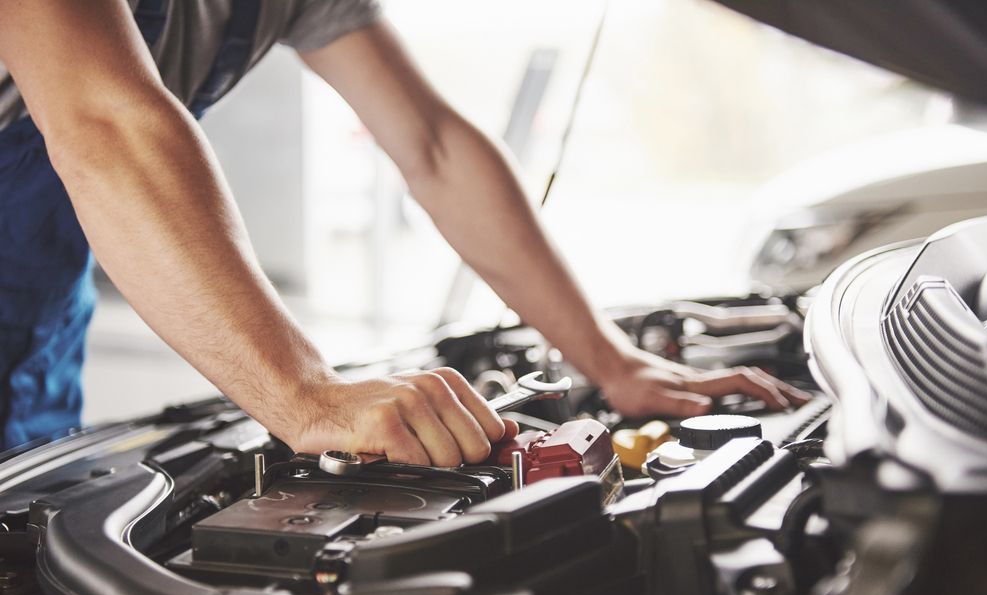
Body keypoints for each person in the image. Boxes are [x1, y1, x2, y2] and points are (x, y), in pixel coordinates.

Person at [0, 0, 808, 459]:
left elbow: (433, 144)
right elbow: (104, 123)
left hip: (35, 324)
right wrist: (306, 395)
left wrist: (609, 361)